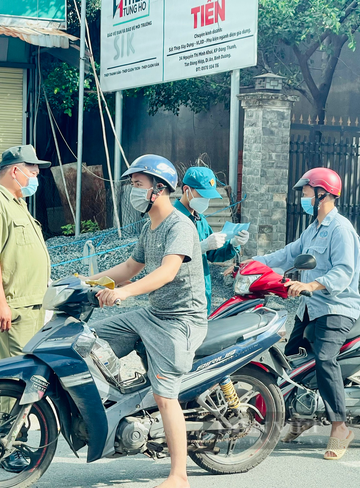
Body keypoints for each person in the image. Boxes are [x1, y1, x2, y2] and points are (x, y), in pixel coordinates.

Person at [227, 167, 360, 461]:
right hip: (311, 307)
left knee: (324, 358)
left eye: (305, 192)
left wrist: (311, 284)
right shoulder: (314, 228)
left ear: (322, 194)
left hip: (336, 307)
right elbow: (288, 255)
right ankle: (304, 418)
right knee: (291, 361)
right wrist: (249, 264)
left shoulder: (341, 230)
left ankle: (340, 427)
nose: (302, 197)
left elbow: (344, 271)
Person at [87, 155, 208, 488]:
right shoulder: (149, 226)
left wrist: (124, 294)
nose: (133, 191)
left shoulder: (180, 225)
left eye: (137, 184)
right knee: (89, 338)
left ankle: (179, 475)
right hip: (154, 314)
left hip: (180, 321)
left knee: (165, 395)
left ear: (159, 188)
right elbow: (128, 269)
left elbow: (167, 272)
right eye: (132, 185)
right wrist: (86, 282)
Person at [0, 144, 51, 472]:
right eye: (31, 169)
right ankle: (6, 446)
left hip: (32, 307)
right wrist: (0, 301)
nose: (35, 176)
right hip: (14, 308)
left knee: (30, 380)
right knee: (17, 380)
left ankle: (16, 441)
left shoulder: (18, 204)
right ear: (13, 170)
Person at [174, 167, 249, 311]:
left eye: (208, 197)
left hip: (201, 291)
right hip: (180, 294)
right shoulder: (173, 219)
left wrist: (233, 243)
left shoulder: (200, 219)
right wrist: (201, 246)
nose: (205, 200)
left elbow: (213, 255)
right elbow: (167, 259)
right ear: (186, 189)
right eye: (202, 195)